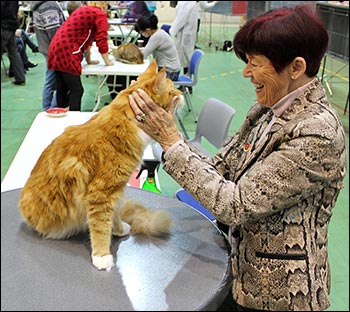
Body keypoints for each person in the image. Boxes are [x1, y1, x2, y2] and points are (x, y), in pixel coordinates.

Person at [128, 5, 347, 311]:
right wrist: (170, 136)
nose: (247, 73)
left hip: (279, 294)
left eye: (256, 64)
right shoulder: (266, 110)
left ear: (296, 68)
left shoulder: (316, 134)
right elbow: (220, 168)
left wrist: (170, 140)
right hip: (241, 268)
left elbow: (235, 204)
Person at [48, 1, 114, 111]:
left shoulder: (84, 10)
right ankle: (74, 119)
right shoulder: (99, 14)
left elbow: (87, 36)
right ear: (104, 4)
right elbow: (102, 39)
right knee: (77, 90)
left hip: (55, 47)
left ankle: (60, 117)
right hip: (67, 51)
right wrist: (107, 61)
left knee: (62, 89)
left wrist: (89, 60)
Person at [30, 1, 66, 111]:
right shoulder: (49, 7)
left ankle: (47, 109)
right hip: (55, 51)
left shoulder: (39, 5)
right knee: (59, 82)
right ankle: (49, 110)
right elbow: (55, 33)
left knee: (51, 80)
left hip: (46, 48)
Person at [136, 14, 181, 81]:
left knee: (144, 80)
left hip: (170, 73)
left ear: (148, 30)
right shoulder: (159, 33)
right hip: (169, 69)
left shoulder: (157, 36)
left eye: (142, 32)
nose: (142, 34)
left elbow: (143, 56)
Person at [169, 1, 198, 93]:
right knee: (185, 59)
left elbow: (181, 19)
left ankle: (187, 86)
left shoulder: (189, 3)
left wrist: (172, 31)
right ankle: (185, 85)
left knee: (186, 59)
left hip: (185, 34)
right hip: (184, 33)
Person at [1, 0, 26, 85]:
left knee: (14, 52)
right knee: (14, 53)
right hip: (12, 25)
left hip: (4, 27)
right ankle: (20, 78)